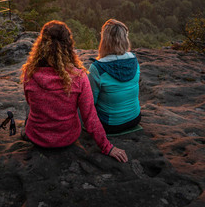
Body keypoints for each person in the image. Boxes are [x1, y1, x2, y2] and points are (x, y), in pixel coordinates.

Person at [21, 20, 128, 162]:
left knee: (30, 104)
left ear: (41, 45)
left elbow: (29, 102)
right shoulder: (79, 77)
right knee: (81, 107)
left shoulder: (30, 72)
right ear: (69, 45)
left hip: (36, 138)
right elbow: (90, 117)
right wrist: (108, 147)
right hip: (67, 139)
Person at [88, 19, 141, 134]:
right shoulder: (134, 60)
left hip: (110, 124)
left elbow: (91, 101)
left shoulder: (97, 68)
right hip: (135, 118)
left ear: (104, 40)